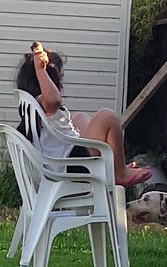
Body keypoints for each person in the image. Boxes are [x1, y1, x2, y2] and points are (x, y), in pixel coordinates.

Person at [15, 42, 152, 187]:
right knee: (108, 117)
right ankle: (120, 173)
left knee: (79, 118)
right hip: (71, 168)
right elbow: (53, 99)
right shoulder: (44, 102)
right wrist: (41, 70)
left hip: (64, 164)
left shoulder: (29, 106)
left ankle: (114, 166)